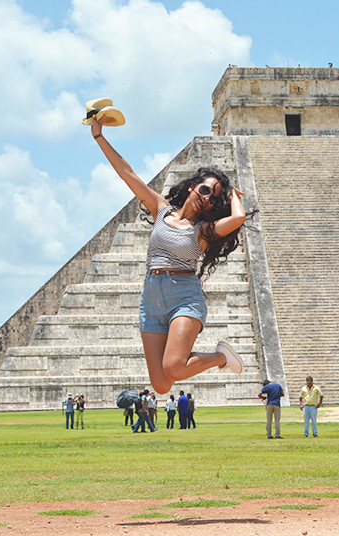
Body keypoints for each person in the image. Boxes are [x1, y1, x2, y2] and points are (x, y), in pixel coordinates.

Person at [90, 118, 252, 395]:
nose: (206, 198)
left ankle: (221, 357)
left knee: (175, 368)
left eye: (213, 198)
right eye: (204, 190)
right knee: (162, 385)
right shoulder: (161, 210)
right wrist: (98, 136)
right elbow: (127, 174)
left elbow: (238, 218)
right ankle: (214, 356)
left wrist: (233, 194)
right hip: (151, 296)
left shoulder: (204, 231)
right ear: (192, 187)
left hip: (184, 295)